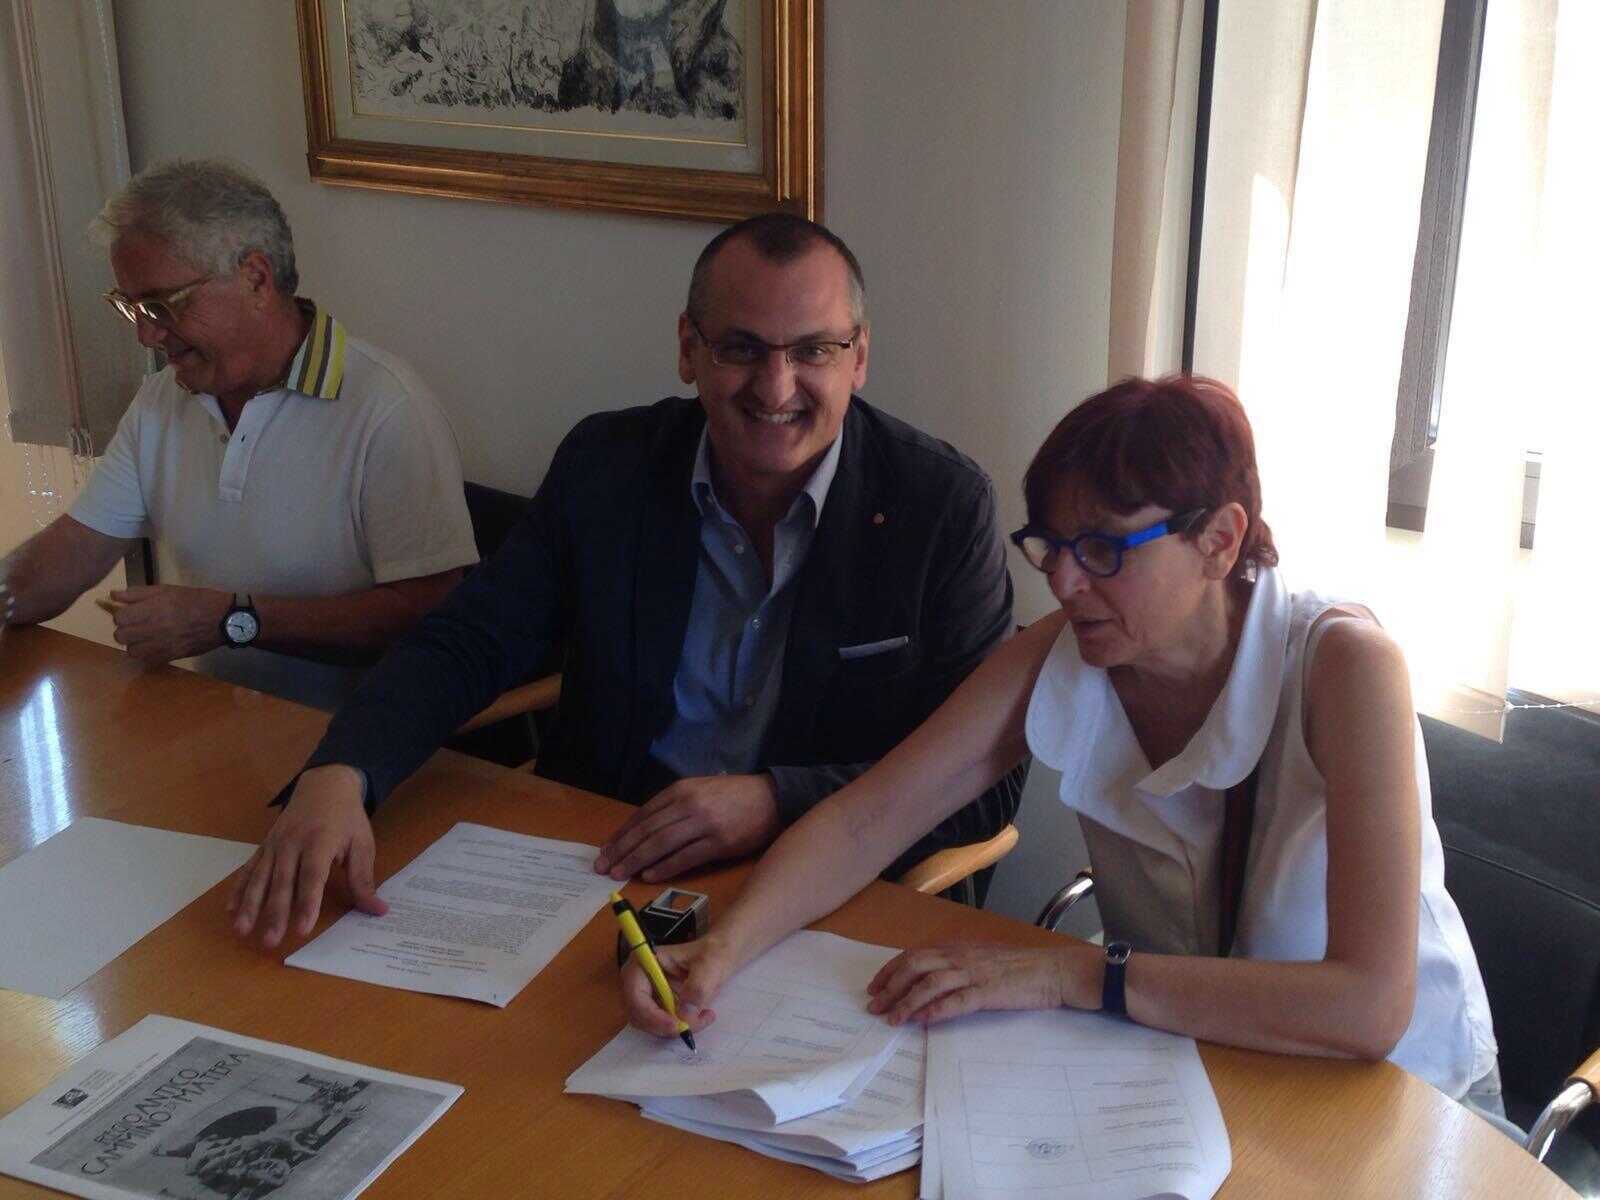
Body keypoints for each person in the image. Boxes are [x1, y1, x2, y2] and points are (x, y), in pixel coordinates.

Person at [622, 374, 1506, 1125]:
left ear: (1220, 539)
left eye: (1104, 549)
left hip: (1397, 1100)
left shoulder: (1346, 667)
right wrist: (723, 950)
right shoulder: (1067, 651)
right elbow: (865, 822)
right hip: (1196, 1068)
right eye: (1051, 545)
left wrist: (1073, 975)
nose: (1065, 582)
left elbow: (1368, 1006)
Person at [228, 213, 1026, 947]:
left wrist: (777, 800)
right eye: (741, 348)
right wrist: (345, 770)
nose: (776, 387)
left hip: (819, 897)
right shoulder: (608, 467)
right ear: (688, 348)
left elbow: (986, 781)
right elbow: (469, 642)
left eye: (813, 351)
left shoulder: (938, 508)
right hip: (601, 863)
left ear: (859, 357)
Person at [0, 159, 478, 710]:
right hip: (217, 717)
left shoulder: (387, 408)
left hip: (357, 735)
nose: (146, 335)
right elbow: (78, 547)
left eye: (161, 305)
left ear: (255, 278)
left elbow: (432, 615)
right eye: (131, 307)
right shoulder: (165, 399)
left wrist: (235, 619)